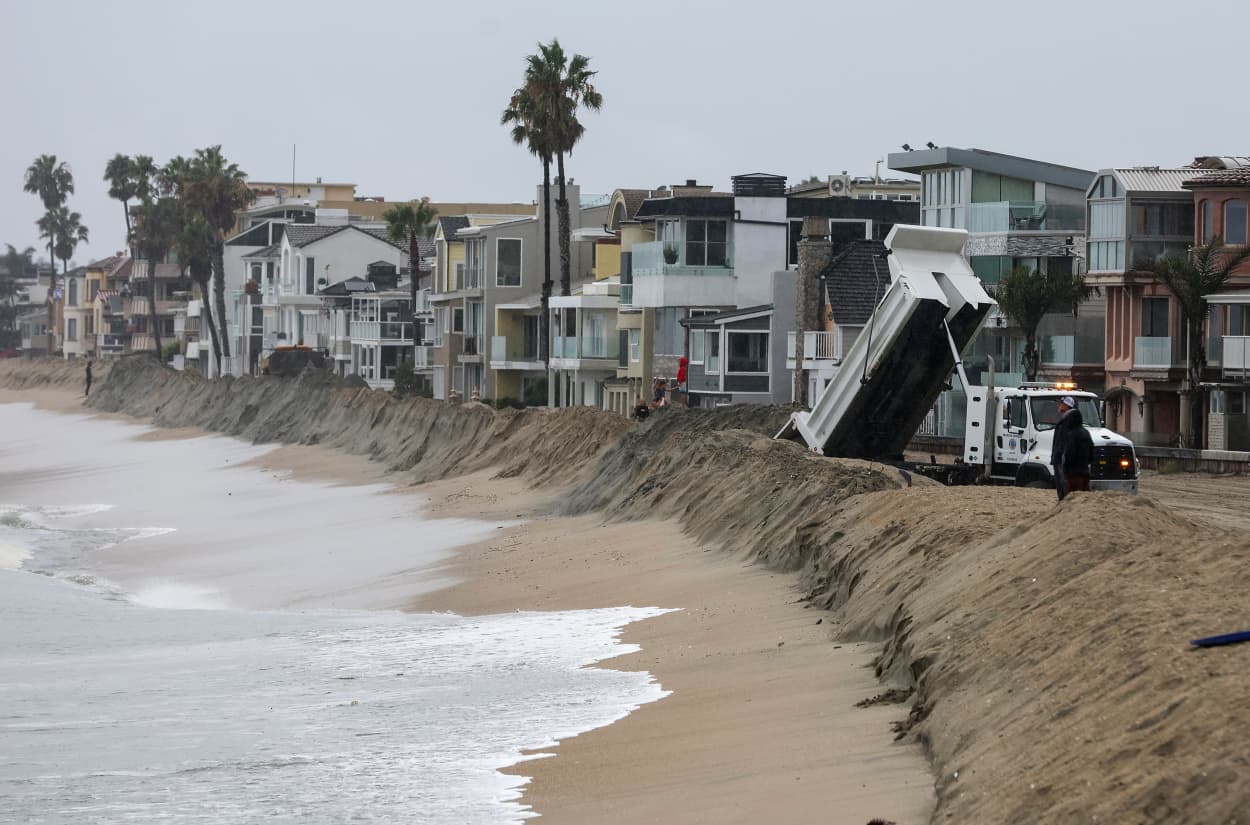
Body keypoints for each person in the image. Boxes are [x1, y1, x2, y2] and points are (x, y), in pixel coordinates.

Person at [1062, 402, 1094, 495]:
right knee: (1084, 498)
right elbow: (1092, 451)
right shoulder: (1086, 432)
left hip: (1073, 473)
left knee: (1070, 498)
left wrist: (1065, 468)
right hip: (1085, 472)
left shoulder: (1072, 434)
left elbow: (1070, 453)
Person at [1049, 396, 1076, 501]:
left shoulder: (1068, 421)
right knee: (1060, 484)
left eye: (1061, 403)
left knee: (1063, 484)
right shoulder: (1064, 420)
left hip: (1062, 459)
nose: (1059, 405)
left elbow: (1066, 441)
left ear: (1067, 406)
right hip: (1059, 457)